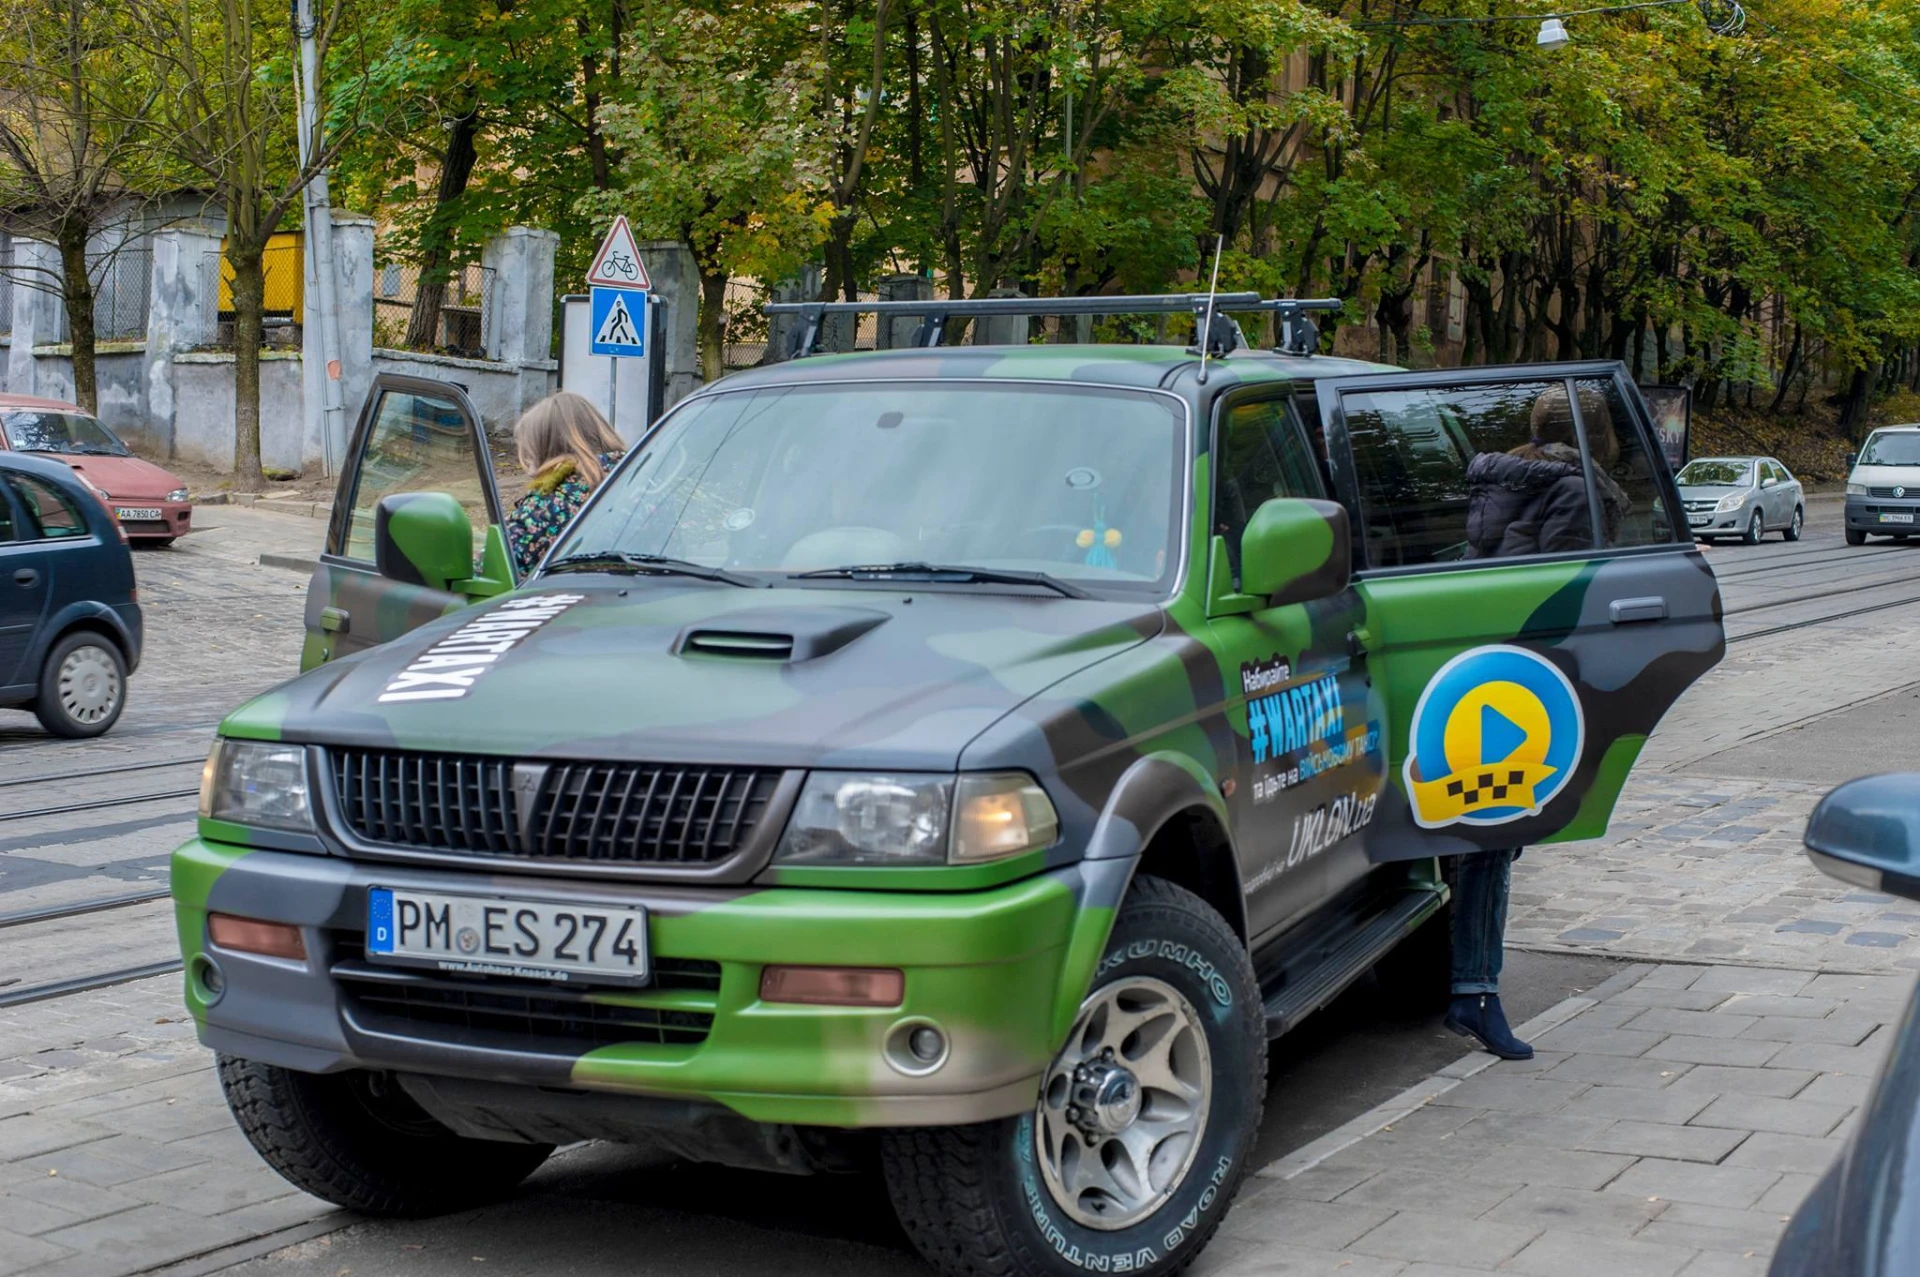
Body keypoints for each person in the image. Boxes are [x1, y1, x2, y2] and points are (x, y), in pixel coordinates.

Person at [1445, 385, 1631, 1061]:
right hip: (1523, 672)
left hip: (1478, 657)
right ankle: (1475, 993)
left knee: (1478, 832)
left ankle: (1468, 982)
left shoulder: (1503, 478)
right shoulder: (1576, 490)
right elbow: (1562, 589)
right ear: (1598, 433)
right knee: (1497, 834)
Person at [504, 392, 627, 576]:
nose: (531, 472)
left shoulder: (547, 508)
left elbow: (495, 566)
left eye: (531, 457)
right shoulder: (642, 478)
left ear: (549, 451)